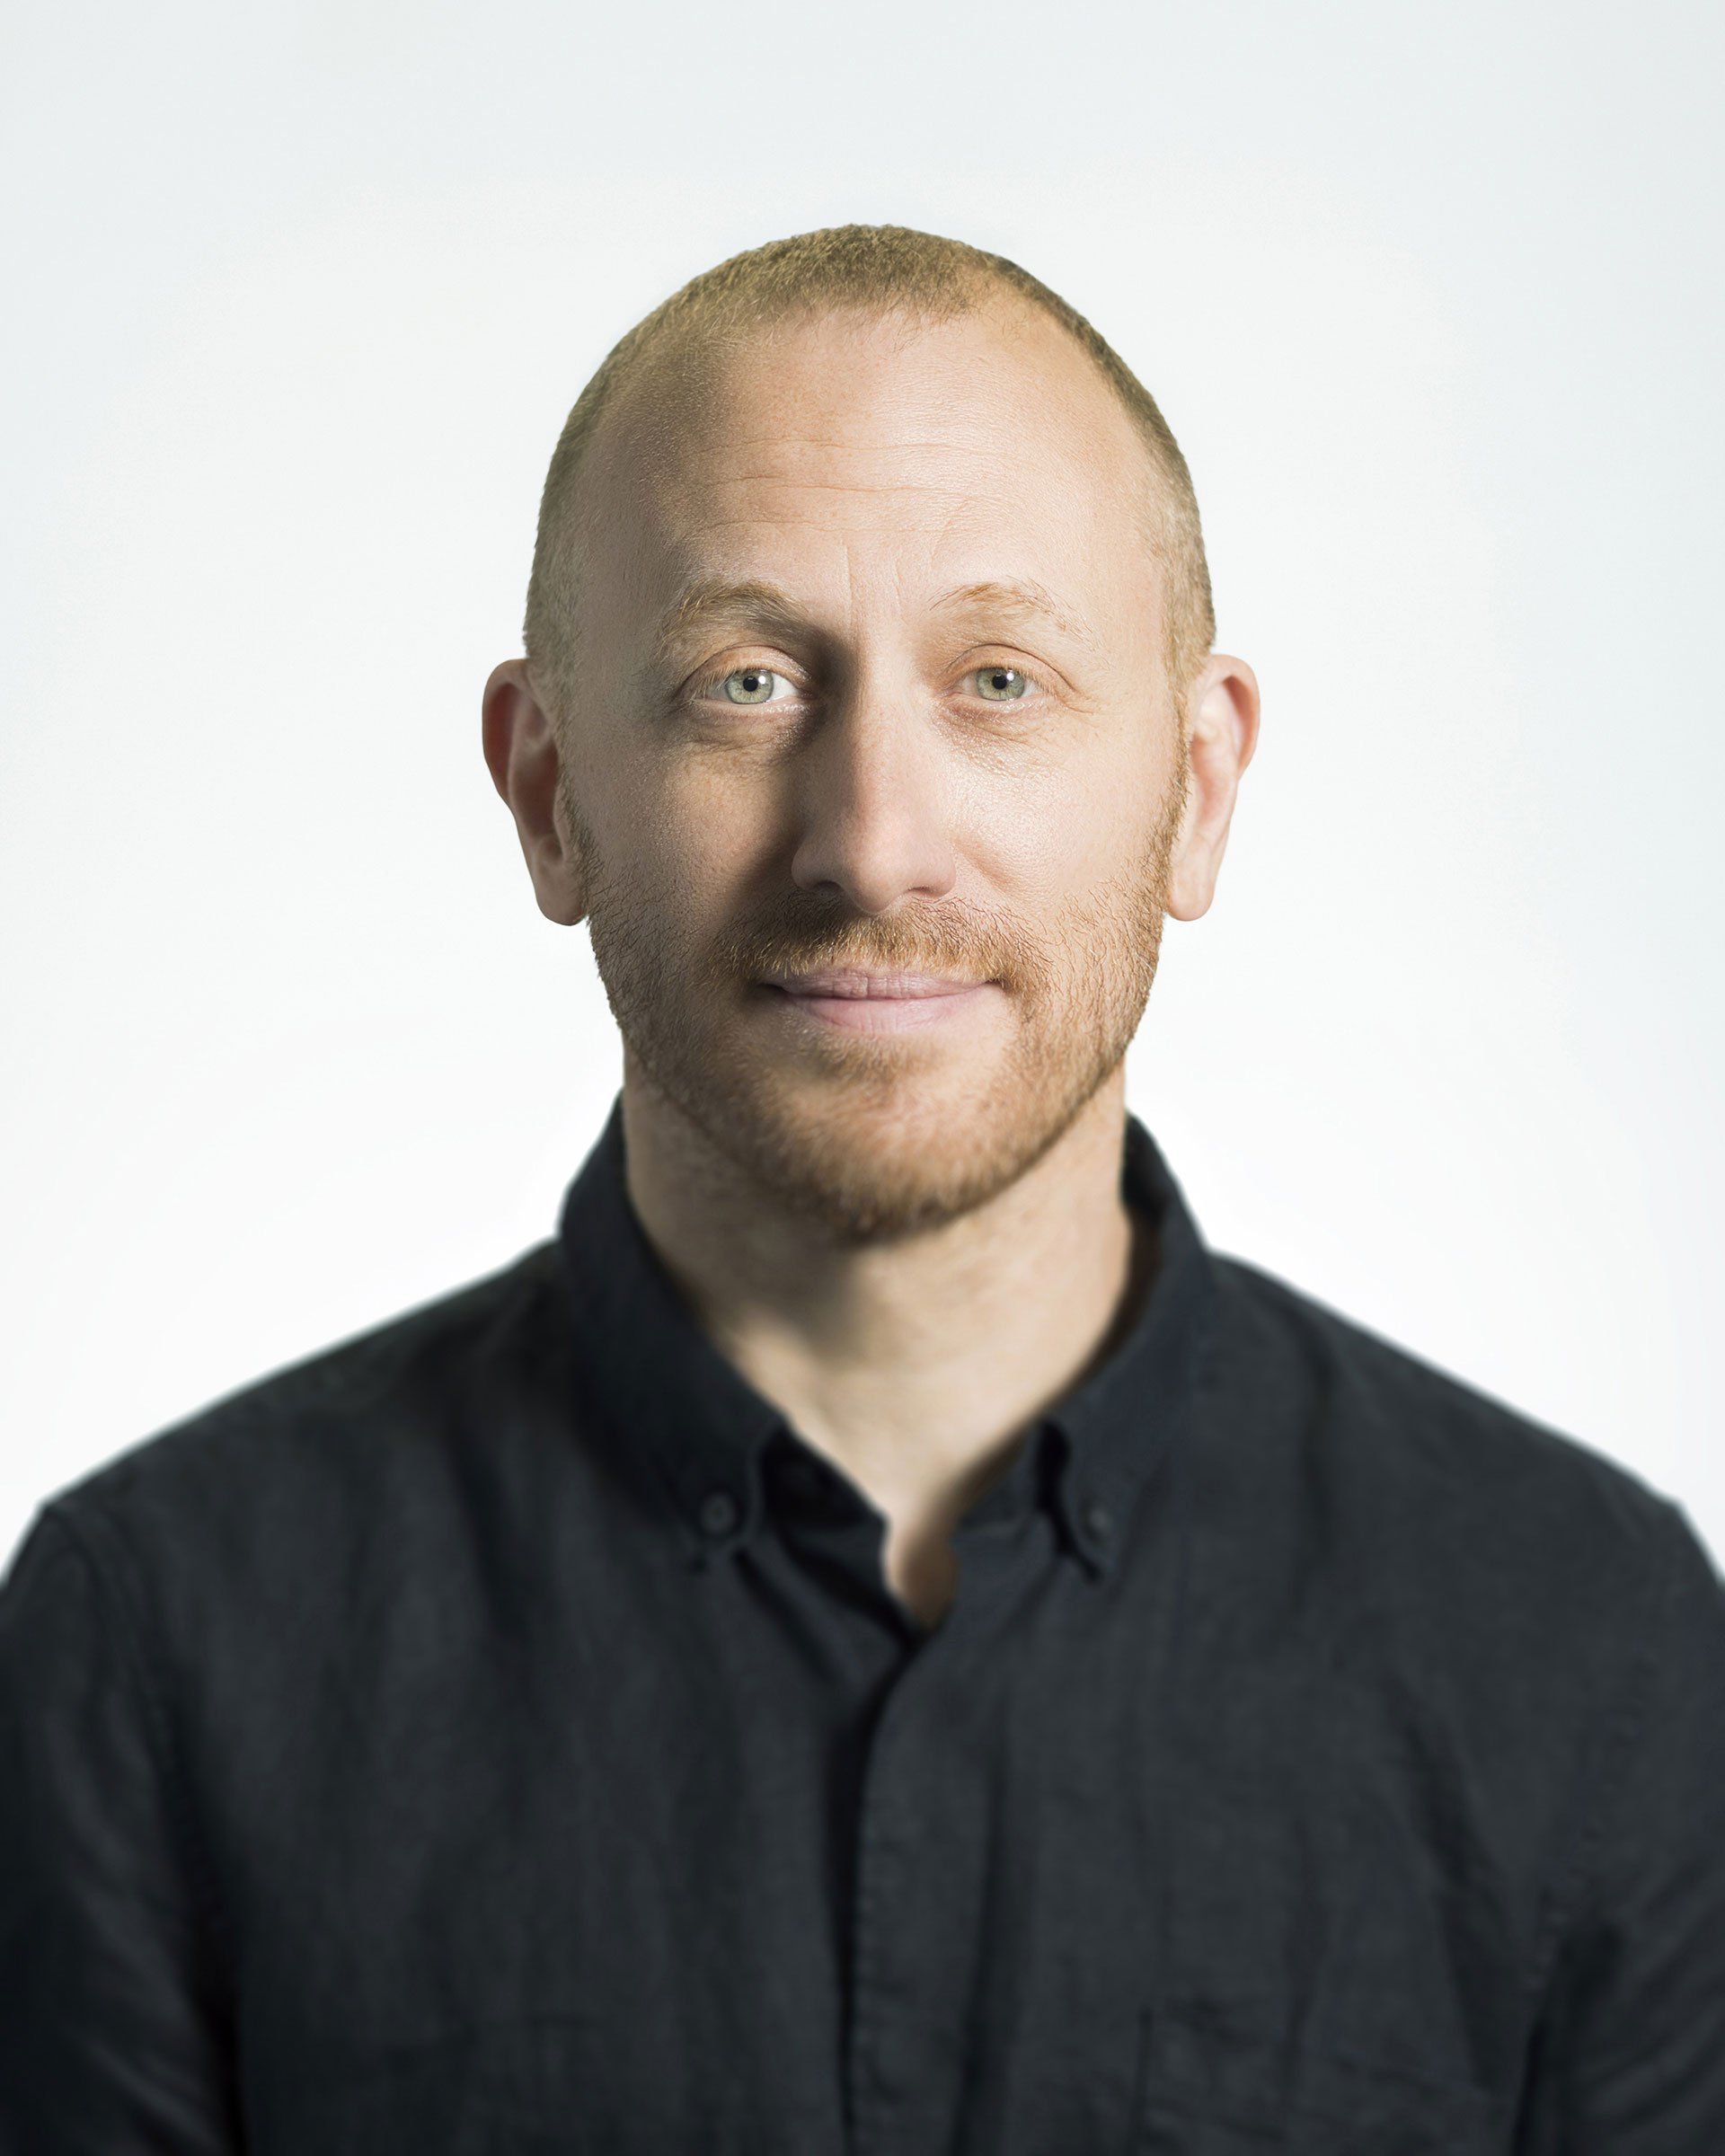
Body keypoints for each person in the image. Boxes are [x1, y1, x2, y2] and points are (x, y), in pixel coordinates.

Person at [1, 223, 1720, 2155]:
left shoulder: (1588, 1643)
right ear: (549, 792)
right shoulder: (155, 1650)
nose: (875, 842)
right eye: (744, 680)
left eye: (1000, 678)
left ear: (1199, 787)